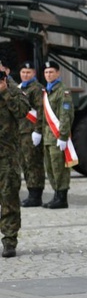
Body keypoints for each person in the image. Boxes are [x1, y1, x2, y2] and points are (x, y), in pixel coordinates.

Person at [0, 69, 31, 258]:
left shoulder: (12, 88)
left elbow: (22, 111)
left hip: (6, 156)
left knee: (8, 197)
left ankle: (9, 241)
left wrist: (5, 92)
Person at [41, 61, 75, 209]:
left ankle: (62, 198)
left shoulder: (62, 91)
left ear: (58, 73)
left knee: (59, 167)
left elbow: (65, 115)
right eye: (46, 72)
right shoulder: (47, 90)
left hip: (57, 136)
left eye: (51, 72)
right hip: (48, 137)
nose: (48, 75)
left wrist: (62, 136)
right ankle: (56, 195)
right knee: (50, 167)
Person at [18, 62, 47, 207]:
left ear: (34, 73)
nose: (25, 75)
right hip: (21, 132)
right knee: (25, 163)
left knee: (33, 163)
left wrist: (38, 131)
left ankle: (36, 195)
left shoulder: (37, 88)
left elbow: (41, 111)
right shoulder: (19, 88)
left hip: (31, 131)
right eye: (23, 72)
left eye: (28, 72)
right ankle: (31, 193)